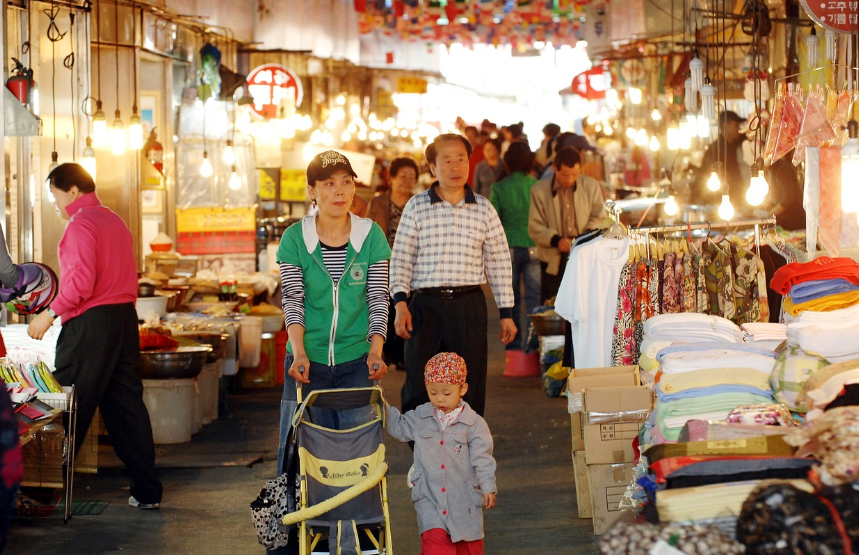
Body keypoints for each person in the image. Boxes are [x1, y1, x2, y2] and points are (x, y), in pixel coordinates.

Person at [27, 163, 162, 510]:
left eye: (54, 195)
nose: (55, 203)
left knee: (67, 405)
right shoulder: (113, 220)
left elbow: (81, 283)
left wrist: (48, 313)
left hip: (91, 325)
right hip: (123, 321)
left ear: (72, 191)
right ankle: (147, 492)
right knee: (127, 407)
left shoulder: (80, 223)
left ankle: (43, 490)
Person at [274, 150, 391, 479]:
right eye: (328, 184)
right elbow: (293, 299)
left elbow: (378, 298)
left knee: (358, 457)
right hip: (306, 366)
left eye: (346, 182)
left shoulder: (371, 236)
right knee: (307, 459)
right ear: (312, 191)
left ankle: (359, 527)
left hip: (356, 362)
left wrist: (376, 350)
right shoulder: (295, 239)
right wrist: (299, 352)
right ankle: (312, 530)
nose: (340, 191)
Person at [390, 133, 516, 418]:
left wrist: (506, 311)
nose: (456, 166)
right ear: (432, 168)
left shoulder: (483, 208)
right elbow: (401, 258)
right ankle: (422, 453)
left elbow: (498, 261)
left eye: (461, 159)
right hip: (425, 306)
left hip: (468, 305)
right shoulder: (417, 207)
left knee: (467, 384)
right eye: (447, 160)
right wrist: (400, 303)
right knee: (420, 385)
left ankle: (464, 451)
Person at [384, 352, 497, 555]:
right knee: (434, 545)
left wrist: (488, 486)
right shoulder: (421, 416)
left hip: (464, 501)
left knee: (468, 547)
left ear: (462, 389)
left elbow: (483, 458)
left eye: (446, 393)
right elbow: (400, 428)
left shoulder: (475, 424)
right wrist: (380, 405)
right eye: (433, 392)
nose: (439, 399)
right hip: (429, 496)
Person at [529, 147, 606, 304]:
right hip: (553, 259)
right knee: (553, 306)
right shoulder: (539, 190)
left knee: (586, 305)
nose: (570, 179)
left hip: (585, 257)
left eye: (575, 175)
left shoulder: (590, 186)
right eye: (565, 175)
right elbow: (535, 226)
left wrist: (581, 239)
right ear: (555, 168)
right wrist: (557, 241)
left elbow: (599, 217)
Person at [366, 157, 419, 370]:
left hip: (411, 264)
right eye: (403, 176)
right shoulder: (379, 202)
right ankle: (385, 351)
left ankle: (402, 354)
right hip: (382, 261)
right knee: (383, 306)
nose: (407, 181)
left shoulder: (418, 203)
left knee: (406, 304)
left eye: (412, 177)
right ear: (392, 178)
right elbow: (369, 231)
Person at [489, 142, 540, 350]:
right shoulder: (536, 185)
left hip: (507, 248)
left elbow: (493, 220)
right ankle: (533, 345)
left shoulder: (499, 187)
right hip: (534, 246)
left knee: (510, 299)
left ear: (507, 163)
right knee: (534, 300)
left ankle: (514, 344)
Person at [697, 110, 749, 211]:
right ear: (725, 125)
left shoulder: (736, 142)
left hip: (738, 196)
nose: (738, 128)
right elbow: (704, 176)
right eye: (735, 125)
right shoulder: (714, 150)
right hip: (720, 201)